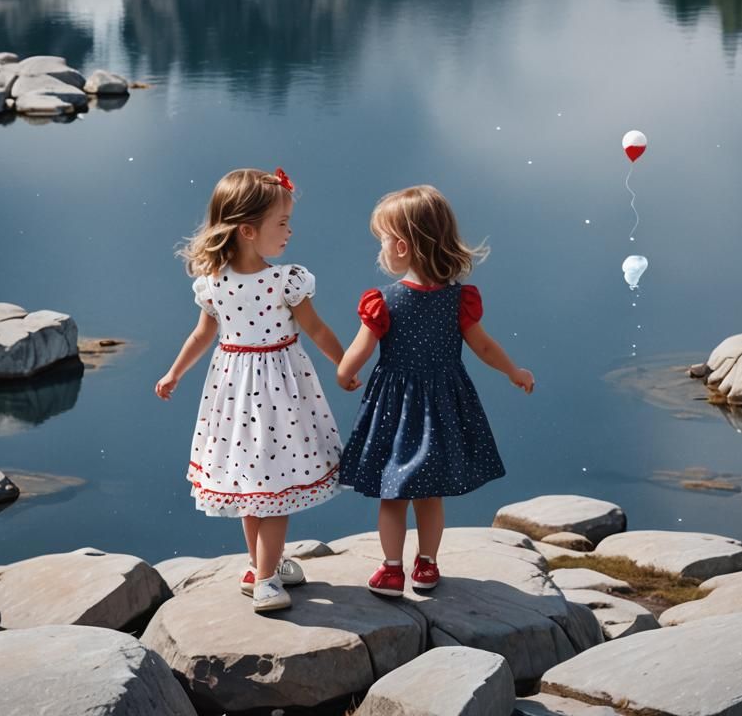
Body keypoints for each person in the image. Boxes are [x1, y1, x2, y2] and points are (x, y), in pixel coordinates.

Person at [155, 167, 344, 613]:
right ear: (247, 230)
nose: (290, 231)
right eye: (281, 223)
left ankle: (262, 565)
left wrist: (345, 363)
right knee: (272, 487)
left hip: (236, 392)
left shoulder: (238, 281)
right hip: (274, 392)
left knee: (252, 485)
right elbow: (313, 329)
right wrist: (175, 371)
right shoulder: (273, 280)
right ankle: (264, 580)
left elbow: (204, 336)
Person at [336, 185, 535, 597]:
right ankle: (426, 565)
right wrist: (512, 370)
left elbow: (361, 349)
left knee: (392, 494)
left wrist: (344, 374)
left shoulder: (383, 301)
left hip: (394, 407)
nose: (381, 251)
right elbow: (482, 345)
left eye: (383, 242)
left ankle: (392, 569)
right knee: (430, 493)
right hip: (443, 405)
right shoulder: (459, 299)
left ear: (403, 247)